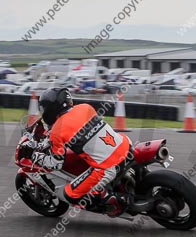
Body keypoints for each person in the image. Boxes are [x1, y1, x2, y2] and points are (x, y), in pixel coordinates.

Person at [30, 87, 132, 217]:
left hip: (108, 167)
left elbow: (56, 164)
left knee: (70, 194)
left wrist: (35, 156)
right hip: (125, 145)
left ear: (50, 109)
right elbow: (75, 127)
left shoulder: (57, 131)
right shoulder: (85, 107)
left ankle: (112, 201)